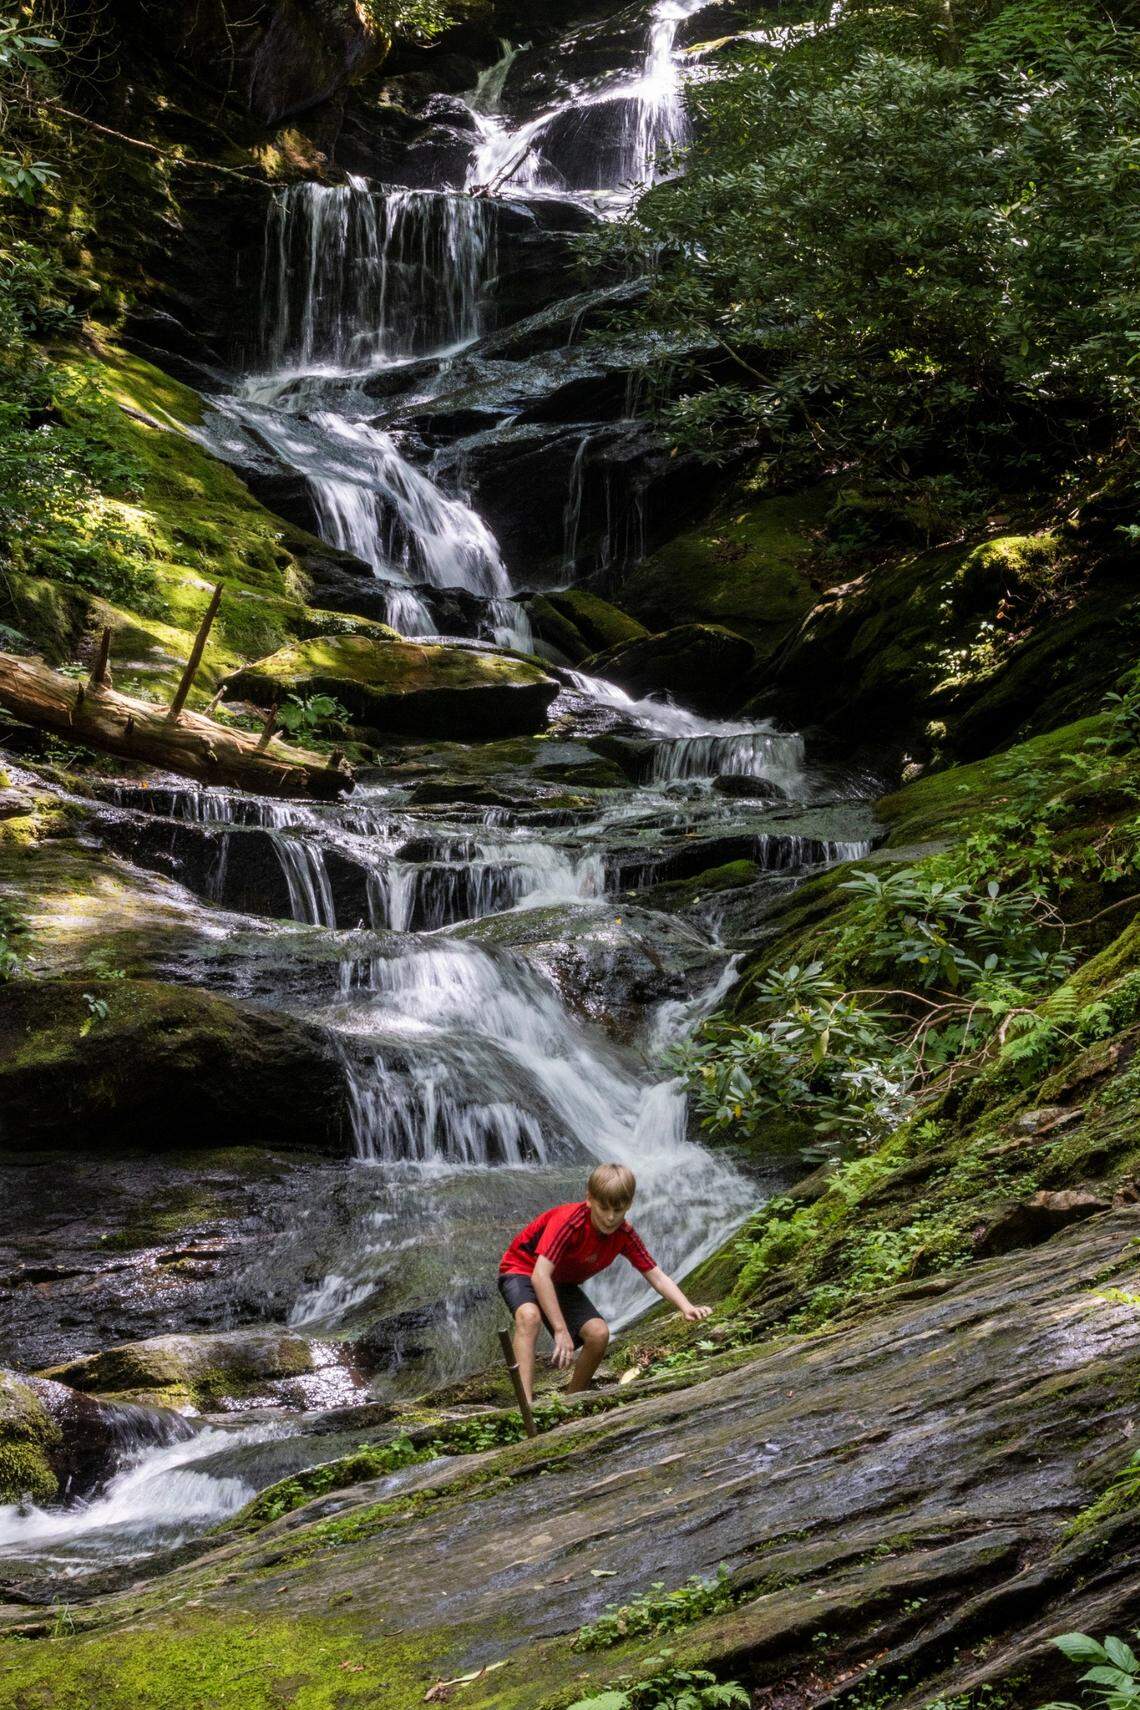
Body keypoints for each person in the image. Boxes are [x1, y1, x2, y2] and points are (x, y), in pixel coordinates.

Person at [498, 1162, 711, 1402]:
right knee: (529, 1316)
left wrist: (687, 1307)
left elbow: (656, 1275)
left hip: (560, 1281)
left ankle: (572, 1402)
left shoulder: (624, 1234)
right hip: (522, 1269)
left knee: (599, 1334)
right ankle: (524, 1406)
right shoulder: (570, 1222)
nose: (610, 1218)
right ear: (589, 1199)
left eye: (618, 1210)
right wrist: (560, 1330)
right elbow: (539, 1275)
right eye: (604, 1208)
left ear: (629, 1205)